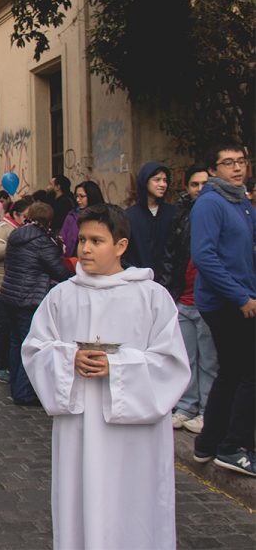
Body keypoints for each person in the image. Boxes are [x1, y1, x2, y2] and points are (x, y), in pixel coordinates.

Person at [22, 203, 189, 549]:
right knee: (80, 503)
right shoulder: (62, 296)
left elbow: (171, 364)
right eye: (82, 239)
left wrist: (119, 366)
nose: (85, 248)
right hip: (79, 429)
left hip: (135, 440)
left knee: (134, 507)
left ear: (121, 246)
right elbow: (35, 349)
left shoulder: (151, 297)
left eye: (97, 240)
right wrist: (70, 359)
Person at [190, 143, 256, 476]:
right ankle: (234, 446)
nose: (237, 167)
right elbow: (205, 257)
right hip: (225, 303)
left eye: (241, 161)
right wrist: (241, 297)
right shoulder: (211, 202)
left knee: (231, 371)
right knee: (248, 372)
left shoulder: (242, 201)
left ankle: (209, 444)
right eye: (228, 163)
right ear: (214, 170)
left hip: (241, 297)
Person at [157, 164, 216, 434]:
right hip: (184, 297)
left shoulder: (217, 213)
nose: (200, 189)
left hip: (208, 300)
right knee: (186, 358)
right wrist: (170, 291)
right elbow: (171, 256)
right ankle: (186, 406)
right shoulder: (181, 217)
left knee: (209, 361)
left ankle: (207, 410)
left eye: (205, 183)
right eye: (195, 184)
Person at [0, 201, 73, 405]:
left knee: (15, 343)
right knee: (28, 344)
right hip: (29, 298)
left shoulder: (17, 235)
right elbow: (59, 271)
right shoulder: (42, 241)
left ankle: (16, 385)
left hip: (11, 295)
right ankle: (23, 392)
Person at [0, 198, 31, 383]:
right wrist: (21, 245)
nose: (28, 220)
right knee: (4, 326)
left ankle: (9, 364)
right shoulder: (3, 228)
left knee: (10, 326)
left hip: (10, 286)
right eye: (26, 216)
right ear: (16, 214)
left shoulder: (22, 229)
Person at [124, 162, 177, 280]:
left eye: (165, 180)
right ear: (145, 181)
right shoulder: (129, 216)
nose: (162, 184)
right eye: (157, 180)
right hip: (137, 282)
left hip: (169, 285)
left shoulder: (173, 213)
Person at [60, 181, 105, 258]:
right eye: (76, 196)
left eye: (82, 196)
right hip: (72, 260)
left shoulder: (102, 216)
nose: (78, 199)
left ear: (91, 196)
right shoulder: (71, 215)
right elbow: (63, 236)